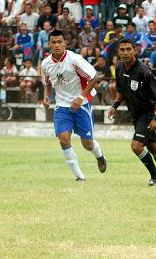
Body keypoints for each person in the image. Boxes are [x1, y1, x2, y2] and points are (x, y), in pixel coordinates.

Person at [108, 38, 156, 186]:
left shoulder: (144, 72)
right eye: (122, 50)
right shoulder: (120, 68)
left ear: (135, 51)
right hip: (136, 115)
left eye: (129, 49)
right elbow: (120, 90)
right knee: (153, 147)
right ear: (118, 52)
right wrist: (114, 105)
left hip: (147, 114)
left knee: (136, 146)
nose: (125, 52)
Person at [41, 29, 107, 181]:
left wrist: (80, 97)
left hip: (81, 105)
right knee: (64, 139)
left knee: (88, 144)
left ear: (65, 43)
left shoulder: (74, 59)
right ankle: (80, 177)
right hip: (62, 106)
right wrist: (46, 97)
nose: (57, 45)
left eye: (59, 42)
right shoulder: (45, 64)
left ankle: (99, 155)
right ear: (49, 44)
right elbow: (47, 83)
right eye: (53, 42)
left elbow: (94, 77)